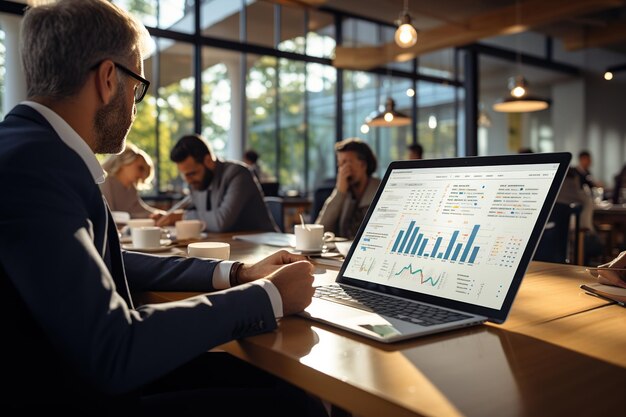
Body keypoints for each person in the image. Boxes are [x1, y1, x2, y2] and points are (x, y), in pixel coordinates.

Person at [0, 1, 326, 415]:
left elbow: (110, 261)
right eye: (136, 86)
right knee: (294, 405)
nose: (135, 107)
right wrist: (268, 297)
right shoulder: (32, 166)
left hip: (64, 372)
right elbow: (115, 350)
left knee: (267, 382)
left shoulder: (29, 150)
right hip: (69, 393)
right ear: (106, 79)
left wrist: (239, 273)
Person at [154, 134, 279, 232]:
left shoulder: (238, 174)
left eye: (191, 173)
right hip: (230, 247)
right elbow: (187, 203)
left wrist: (181, 217)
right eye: (184, 175)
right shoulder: (197, 182)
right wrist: (166, 216)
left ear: (208, 160)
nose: (188, 180)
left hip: (263, 248)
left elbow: (221, 221)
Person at [316, 138, 381, 239]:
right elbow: (320, 229)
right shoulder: (343, 191)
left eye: (347, 162)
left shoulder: (381, 189)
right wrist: (339, 192)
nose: (343, 169)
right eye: (340, 163)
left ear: (363, 165)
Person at [100, 142, 164, 218]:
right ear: (125, 161)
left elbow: (141, 209)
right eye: (140, 168)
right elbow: (109, 216)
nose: (142, 176)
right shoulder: (105, 182)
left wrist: (162, 214)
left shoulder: (131, 188)